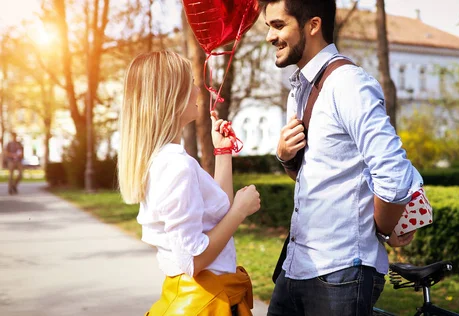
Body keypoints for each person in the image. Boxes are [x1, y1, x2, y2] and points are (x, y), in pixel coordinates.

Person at [259, 0, 425, 315]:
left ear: (313, 25)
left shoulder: (348, 83)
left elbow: (395, 175)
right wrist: (285, 157)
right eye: (269, 26)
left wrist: (387, 229)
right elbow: (323, 173)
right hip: (296, 265)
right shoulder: (299, 90)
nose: (269, 36)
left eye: (278, 25)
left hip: (340, 270)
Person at [117, 50, 261, 315]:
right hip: (206, 301)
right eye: (190, 84)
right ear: (171, 97)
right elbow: (193, 260)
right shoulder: (176, 166)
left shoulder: (164, 160)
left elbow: (216, 213)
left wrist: (223, 152)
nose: (198, 90)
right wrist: (241, 210)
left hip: (208, 296)